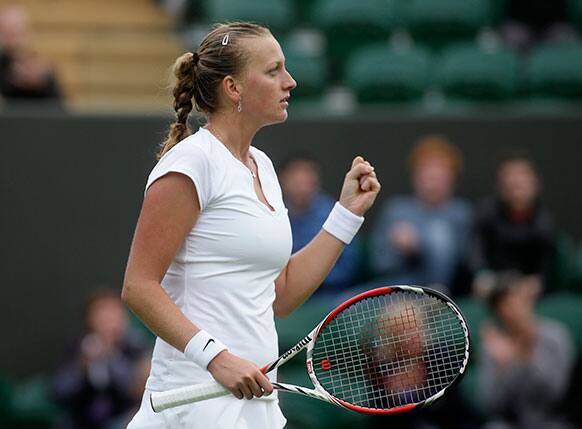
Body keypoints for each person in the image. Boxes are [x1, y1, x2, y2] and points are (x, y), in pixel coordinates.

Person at [121, 22, 381, 428]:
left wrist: (346, 214)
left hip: (255, 406)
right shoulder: (192, 164)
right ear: (234, 88)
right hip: (194, 404)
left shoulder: (263, 166)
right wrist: (217, 358)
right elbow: (139, 287)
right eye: (274, 70)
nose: (290, 82)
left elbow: (281, 295)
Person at [369, 135, 472, 295]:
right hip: (398, 290)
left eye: (440, 176)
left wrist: (421, 246)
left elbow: (467, 264)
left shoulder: (462, 213)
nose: (432, 182)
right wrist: (402, 251)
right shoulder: (396, 210)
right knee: (343, 302)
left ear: (452, 179)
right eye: (427, 175)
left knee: (439, 235)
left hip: (444, 294)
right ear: (415, 177)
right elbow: (379, 263)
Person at [479, 271, 575, 429]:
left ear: (528, 301)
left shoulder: (556, 337)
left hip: (553, 422)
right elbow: (492, 405)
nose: (514, 309)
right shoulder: (494, 345)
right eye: (505, 304)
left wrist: (524, 360)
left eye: (517, 299)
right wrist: (502, 369)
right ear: (497, 312)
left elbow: (555, 396)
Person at [52, 289, 149, 429]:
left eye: (115, 314)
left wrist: (112, 356)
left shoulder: (134, 346)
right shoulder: (77, 348)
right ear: (90, 319)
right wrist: (82, 366)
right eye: (103, 316)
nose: (110, 322)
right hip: (80, 420)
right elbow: (59, 391)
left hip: (122, 418)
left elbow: (133, 389)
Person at [471, 153, 554, 297]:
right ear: (501, 186)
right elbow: (475, 252)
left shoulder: (544, 223)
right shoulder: (486, 213)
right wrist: (482, 275)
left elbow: (545, 269)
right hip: (491, 283)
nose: (515, 183)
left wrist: (536, 282)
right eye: (509, 178)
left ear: (535, 184)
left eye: (522, 179)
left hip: (525, 288)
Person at [279, 154, 362, 295]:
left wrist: (307, 278)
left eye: (307, 178)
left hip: (331, 295)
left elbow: (349, 265)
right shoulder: (273, 213)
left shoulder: (336, 213)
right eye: (296, 178)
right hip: (284, 295)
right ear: (283, 180)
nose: (302, 185)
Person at [0, 6, 62, 104]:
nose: (11, 39)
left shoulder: (42, 71)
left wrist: (43, 85)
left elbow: (60, 112)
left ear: (27, 34)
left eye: (16, 32)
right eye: (5, 32)